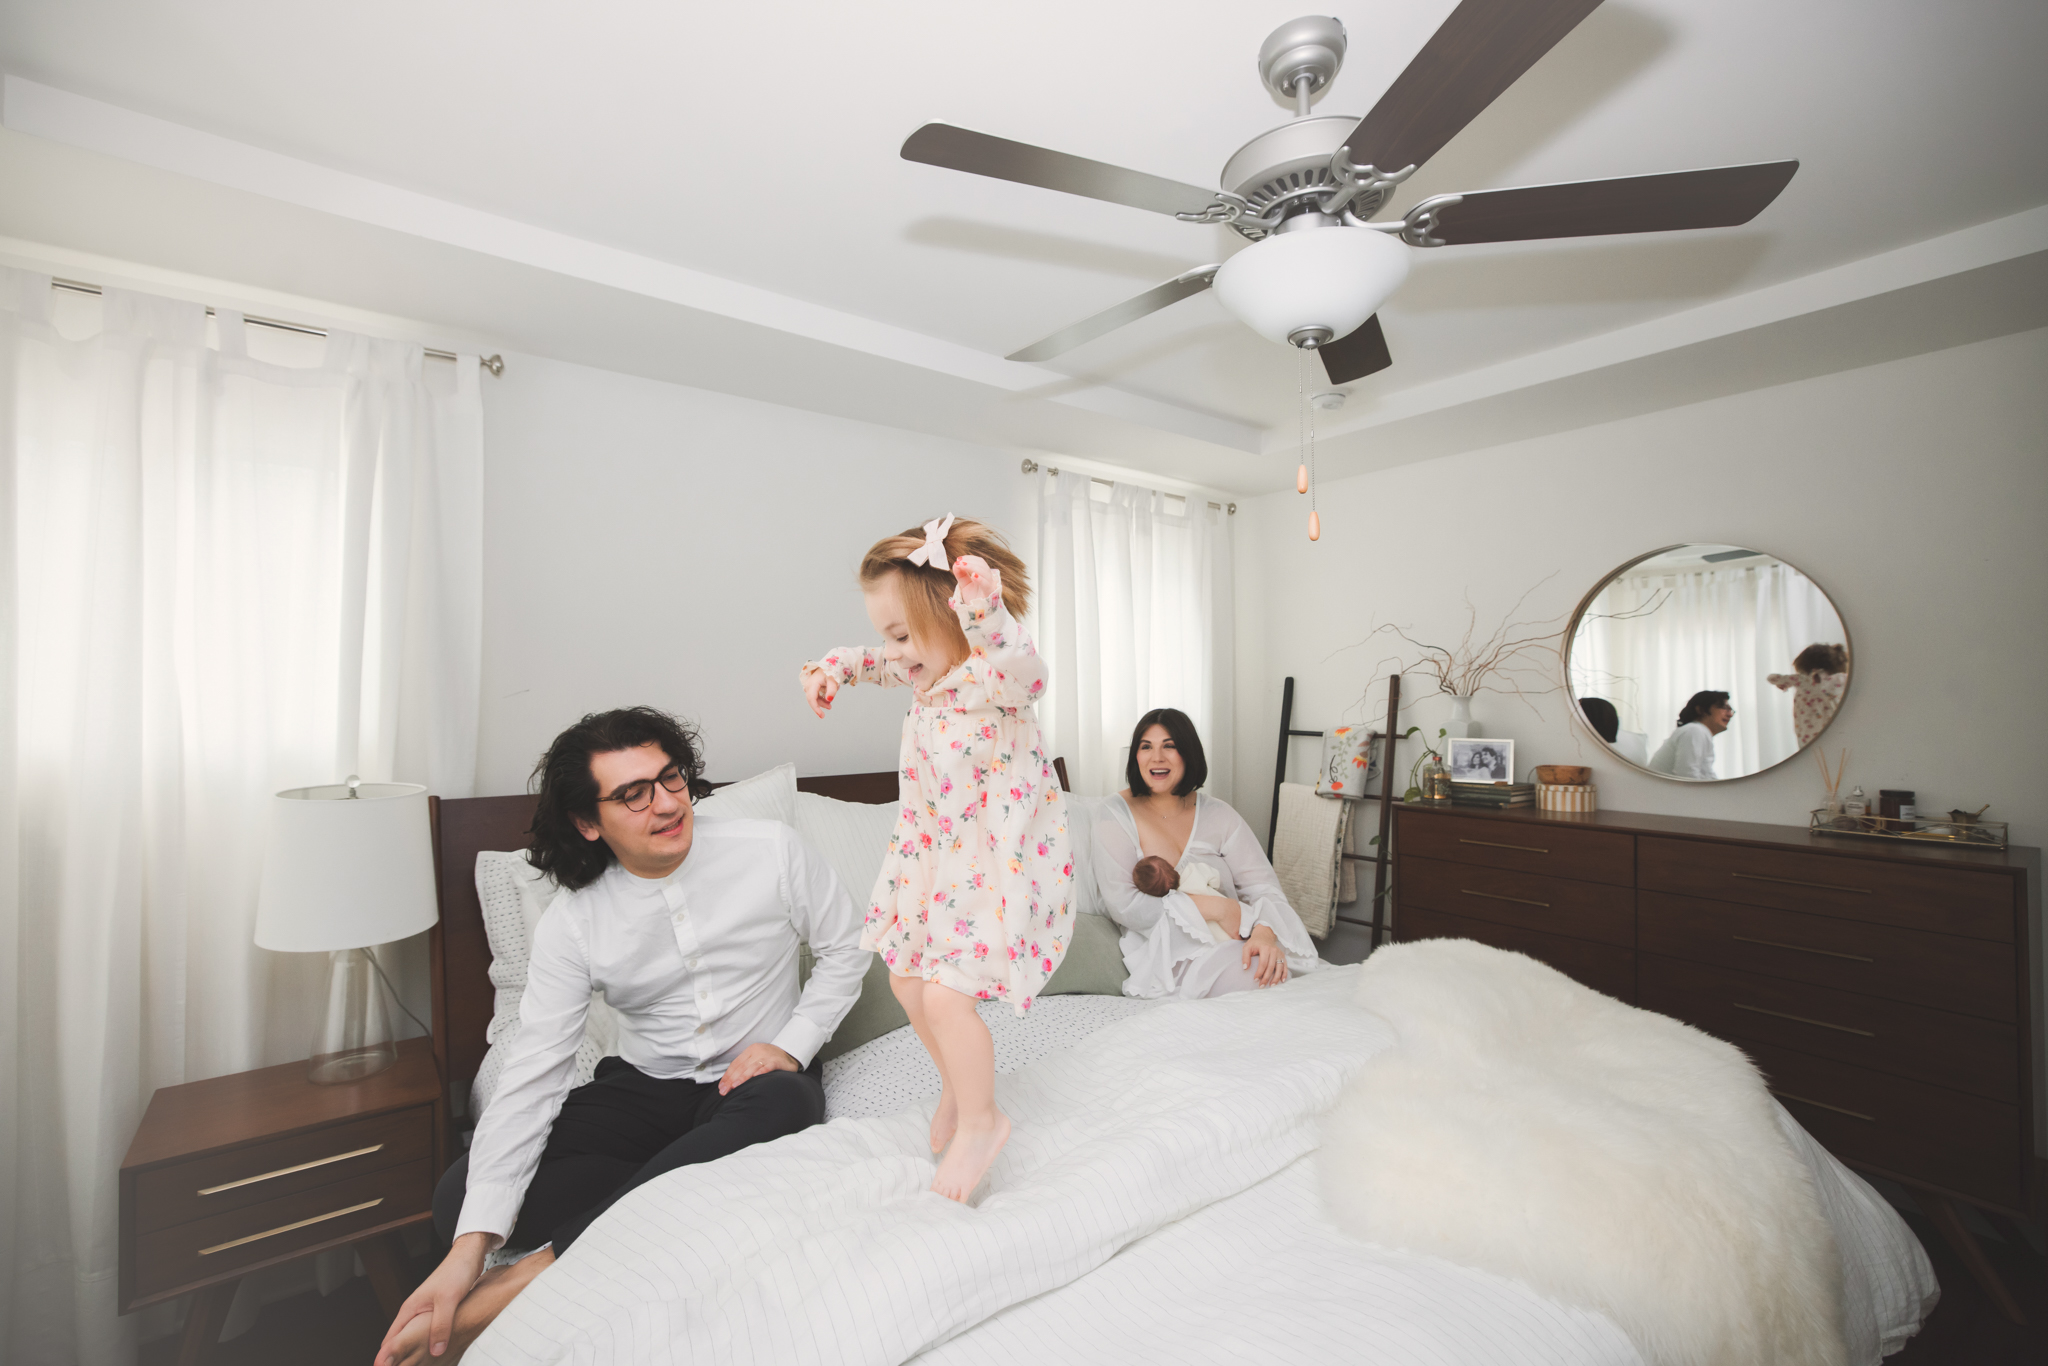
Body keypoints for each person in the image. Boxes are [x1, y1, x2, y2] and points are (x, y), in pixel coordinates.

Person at [376, 707, 867, 1366]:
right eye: (633, 795)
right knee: (456, 1201)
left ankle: (531, 1276)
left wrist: (793, 1044)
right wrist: (468, 1254)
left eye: (670, 780)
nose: (665, 805)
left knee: (791, 1103)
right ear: (588, 821)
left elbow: (848, 948)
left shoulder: (770, 849)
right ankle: (669, 1185)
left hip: (752, 1087)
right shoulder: (574, 922)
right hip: (642, 1094)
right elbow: (534, 1076)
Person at [800, 515, 1071, 1202]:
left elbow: (1026, 668)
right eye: (885, 636)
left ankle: (983, 1120)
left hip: (997, 866)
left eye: (901, 635)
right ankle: (957, 1085)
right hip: (935, 861)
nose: (893, 653)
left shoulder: (993, 681)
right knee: (905, 982)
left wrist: (982, 605)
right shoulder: (926, 673)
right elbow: (874, 660)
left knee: (949, 996)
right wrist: (836, 667)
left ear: (955, 618)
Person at [1092, 708, 1321, 999]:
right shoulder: (1112, 814)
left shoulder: (1220, 815)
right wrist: (1222, 909)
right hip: (1173, 955)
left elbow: (1265, 889)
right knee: (1266, 981)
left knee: (1287, 976)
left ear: (1189, 753)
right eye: (1146, 746)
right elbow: (1126, 906)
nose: (1156, 757)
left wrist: (1264, 933)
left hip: (1239, 941)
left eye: (1170, 746)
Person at [1131, 855, 1232, 944]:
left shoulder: (1174, 905)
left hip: (1218, 937)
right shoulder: (1193, 871)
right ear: (1171, 866)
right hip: (1228, 912)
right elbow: (1215, 878)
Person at [1769, 643, 1849, 748]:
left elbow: (1772, 678)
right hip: (1835, 737)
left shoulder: (1801, 682)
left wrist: (1784, 683)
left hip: (1808, 740)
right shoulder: (1840, 680)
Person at [1647, 690, 1734, 779]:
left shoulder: (1700, 732)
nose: (1730, 714)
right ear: (1701, 709)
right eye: (1724, 707)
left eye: (1731, 710)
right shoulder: (1694, 731)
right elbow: (1687, 775)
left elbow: (1707, 775)